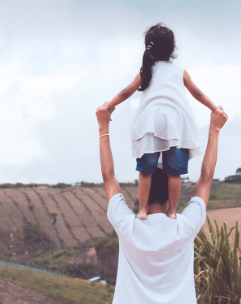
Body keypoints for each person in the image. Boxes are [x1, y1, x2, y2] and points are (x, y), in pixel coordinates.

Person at [96, 101, 228, 304]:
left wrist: (103, 127)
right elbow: (206, 178)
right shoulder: (184, 228)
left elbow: (108, 176)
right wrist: (215, 129)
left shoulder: (127, 226)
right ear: (171, 194)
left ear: (142, 193)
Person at [107, 23, 217, 220]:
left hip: (150, 123)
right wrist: (214, 108)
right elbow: (197, 93)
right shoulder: (180, 71)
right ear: (173, 49)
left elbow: (126, 92)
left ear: (149, 49)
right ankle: (173, 212)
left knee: (146, 171)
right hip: (177, 124)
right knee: (173, 173)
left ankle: (142, 210)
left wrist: (108, 106)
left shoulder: (146, 71)